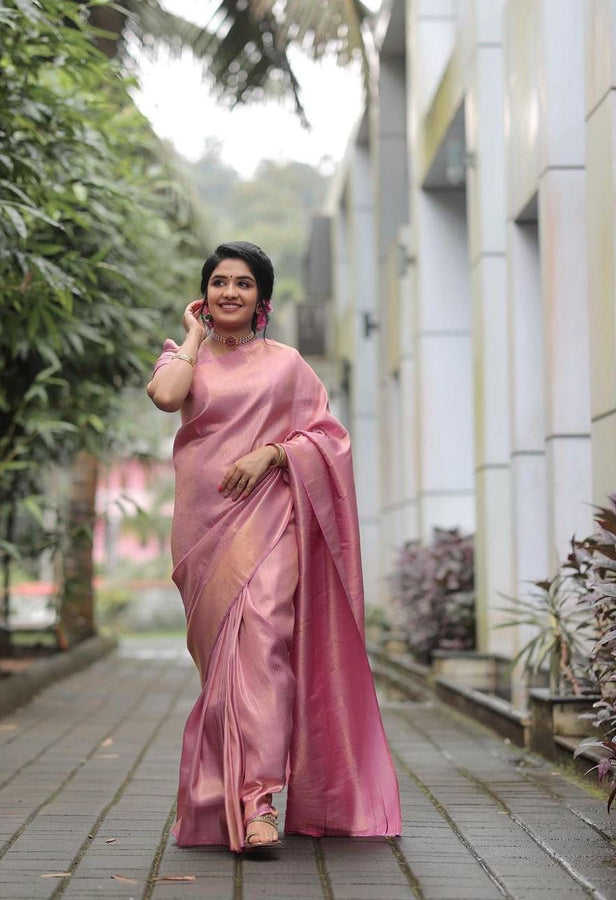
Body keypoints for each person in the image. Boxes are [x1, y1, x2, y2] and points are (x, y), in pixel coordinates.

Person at [146, 241, 401, 853]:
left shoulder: (288, 364)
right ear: (203, 294)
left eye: (244, 283)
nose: (229, 292)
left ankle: (257, 802)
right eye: (218, 283)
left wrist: (274, 453)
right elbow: (165, 398)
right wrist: (191, 337)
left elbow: (327, 436)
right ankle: (223, 798)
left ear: (262, 297)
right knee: (225, 671)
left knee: (262, 646)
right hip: (203, 529)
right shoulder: (184, 357)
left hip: (271, 519)